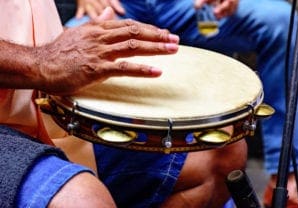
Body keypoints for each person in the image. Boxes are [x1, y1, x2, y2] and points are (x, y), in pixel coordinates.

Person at [58, 0, 298, 207]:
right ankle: (79, 180)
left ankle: (285, 180)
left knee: (280, 20)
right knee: (69, 48)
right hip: (119, 6)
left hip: (188, 5)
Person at [0, 1, 247, 208]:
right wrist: (40, 61)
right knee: (81, 200)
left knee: (219, 150)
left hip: (39, 98)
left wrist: (62, 41)